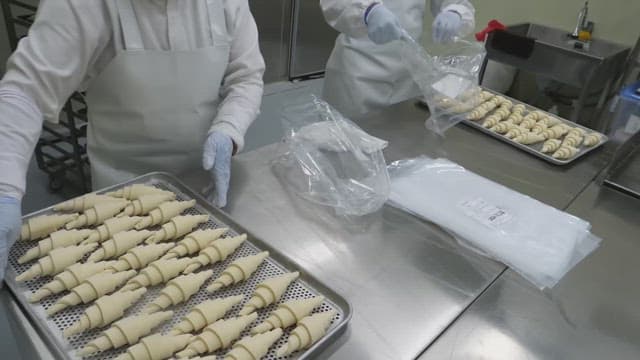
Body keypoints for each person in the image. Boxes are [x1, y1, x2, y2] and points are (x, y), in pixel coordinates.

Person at [0, 0, 265, 281]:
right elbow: (25, 92)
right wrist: (4, 188)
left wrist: (229, 128)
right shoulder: (83, 5)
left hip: (205, 188)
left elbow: (246, 78)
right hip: (121, 198)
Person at [320, 0, 475, 119]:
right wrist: (369, 12)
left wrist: (455, 12)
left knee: (399, 144)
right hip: (358, 75)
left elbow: (456, 2)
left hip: (407, 76)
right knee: (346, 146)